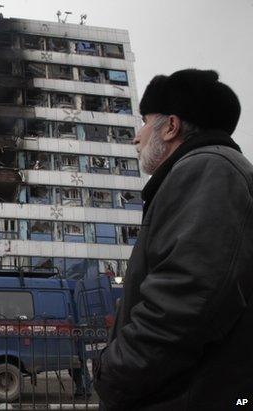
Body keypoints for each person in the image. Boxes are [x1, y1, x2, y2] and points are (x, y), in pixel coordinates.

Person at [93, 69, 253, 410]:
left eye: (145, 121)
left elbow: (185, 303)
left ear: (170, 127)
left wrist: (113, 372)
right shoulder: (204, 172)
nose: (137, 137)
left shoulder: (209, 170)